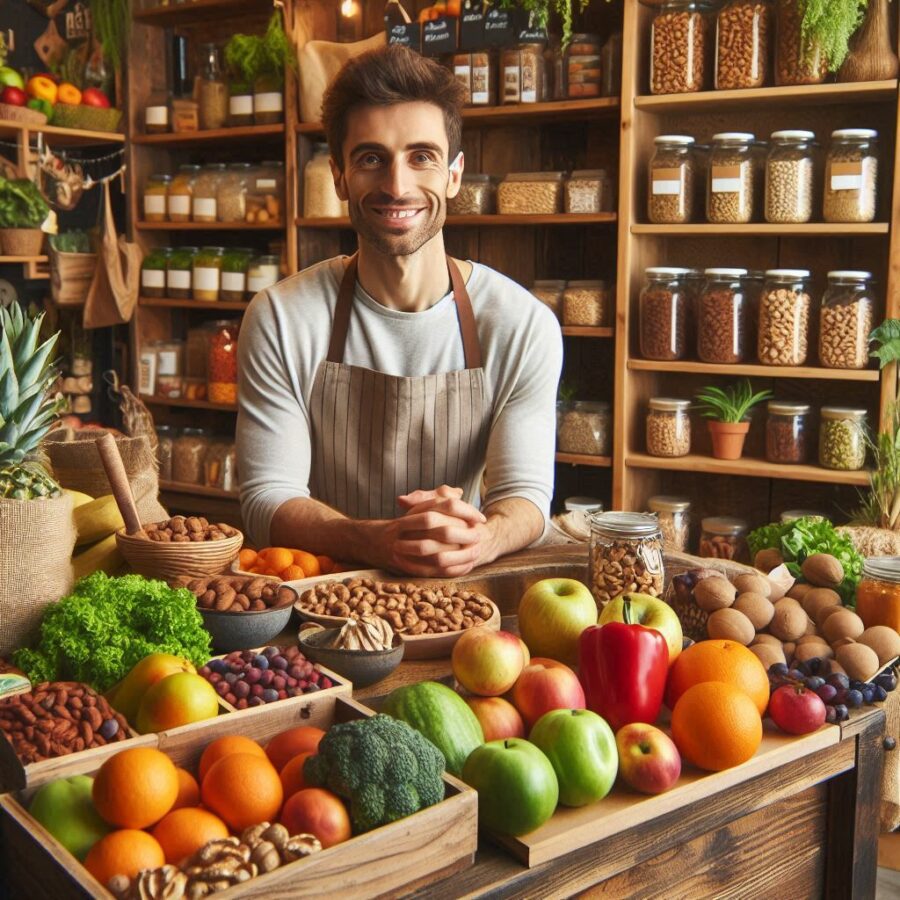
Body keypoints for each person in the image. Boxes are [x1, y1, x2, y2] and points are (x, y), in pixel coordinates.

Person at [237, 44, 562, 577]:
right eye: (371, 158)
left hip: (461, 600)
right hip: (325, 599)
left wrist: (482, 539)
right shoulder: (281, 317)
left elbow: (524, 497)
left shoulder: (522, 325)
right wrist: (375, 541)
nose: (396, 185)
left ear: (454, 175)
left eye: (422, 157)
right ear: (339, 176)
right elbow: (267, 498)